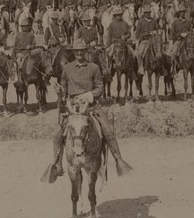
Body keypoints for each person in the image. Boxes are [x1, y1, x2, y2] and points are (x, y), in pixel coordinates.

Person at [41, 41, 133, 184]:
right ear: (73, 52)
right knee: (58, 136)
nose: (79, 53)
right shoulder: (67, 68)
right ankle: (57, 163)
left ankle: (118, 160)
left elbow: (99, 88)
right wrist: (60, 90)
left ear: (86, 51)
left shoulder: (94, 68)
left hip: (91, 106)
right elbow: (64, 87)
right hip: (73, 107)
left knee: (108, 131)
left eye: (82, 50)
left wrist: (87, 96)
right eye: (77, 51)